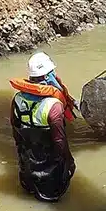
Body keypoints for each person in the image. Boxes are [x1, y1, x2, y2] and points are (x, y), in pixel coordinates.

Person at [9, 52, 79, 202]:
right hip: (49, 178)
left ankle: (29, 186)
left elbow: (15, 131)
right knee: (59, 181)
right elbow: (60, 141)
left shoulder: (17, 99)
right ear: (48, 76)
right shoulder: (53, 106)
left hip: (27, 169)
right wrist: (70, 162)